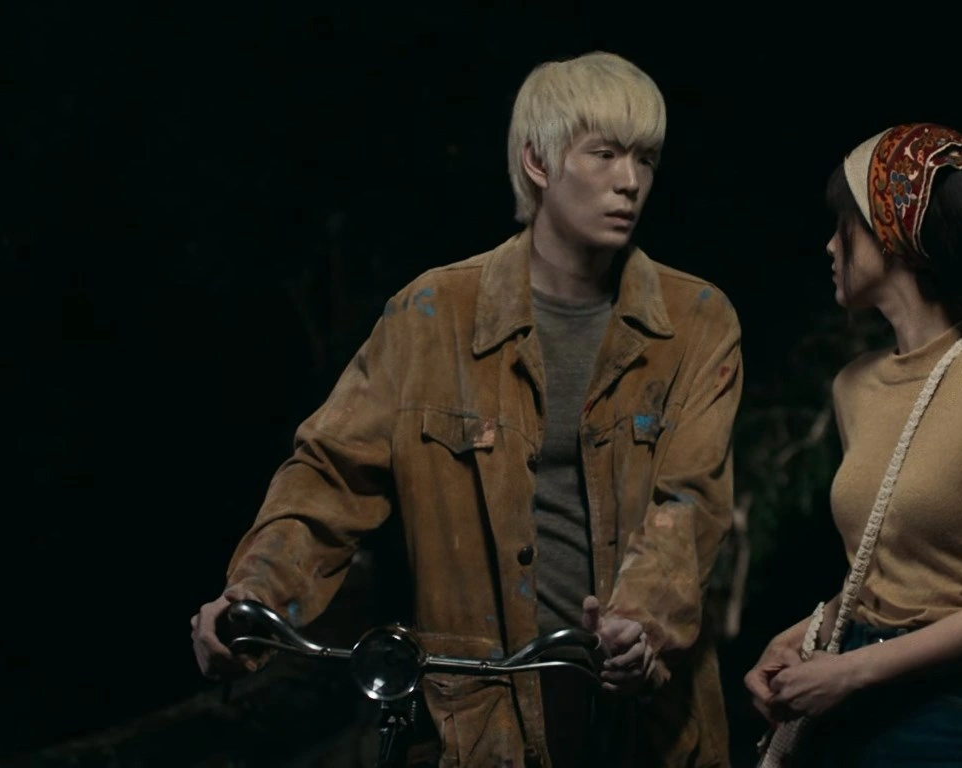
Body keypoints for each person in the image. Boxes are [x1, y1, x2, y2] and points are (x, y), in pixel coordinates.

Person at [189, 51, 742, 767]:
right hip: (483, 717)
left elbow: (690, 502)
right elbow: (330, 476)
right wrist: (251, 600)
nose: (630, 181)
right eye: (604, 154)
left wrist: (641, 624)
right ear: (538, 162)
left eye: (646, 159)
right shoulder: (432, 316)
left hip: (641, 715)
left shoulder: (694, 321)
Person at [744, 124, 962, 767]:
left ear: (893, 228)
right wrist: (800, 637)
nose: (829, 245)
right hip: (851, 708)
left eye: (843, 224)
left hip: (957, 716)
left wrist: (855, 671)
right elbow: (887, 575)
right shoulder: (854, 386)